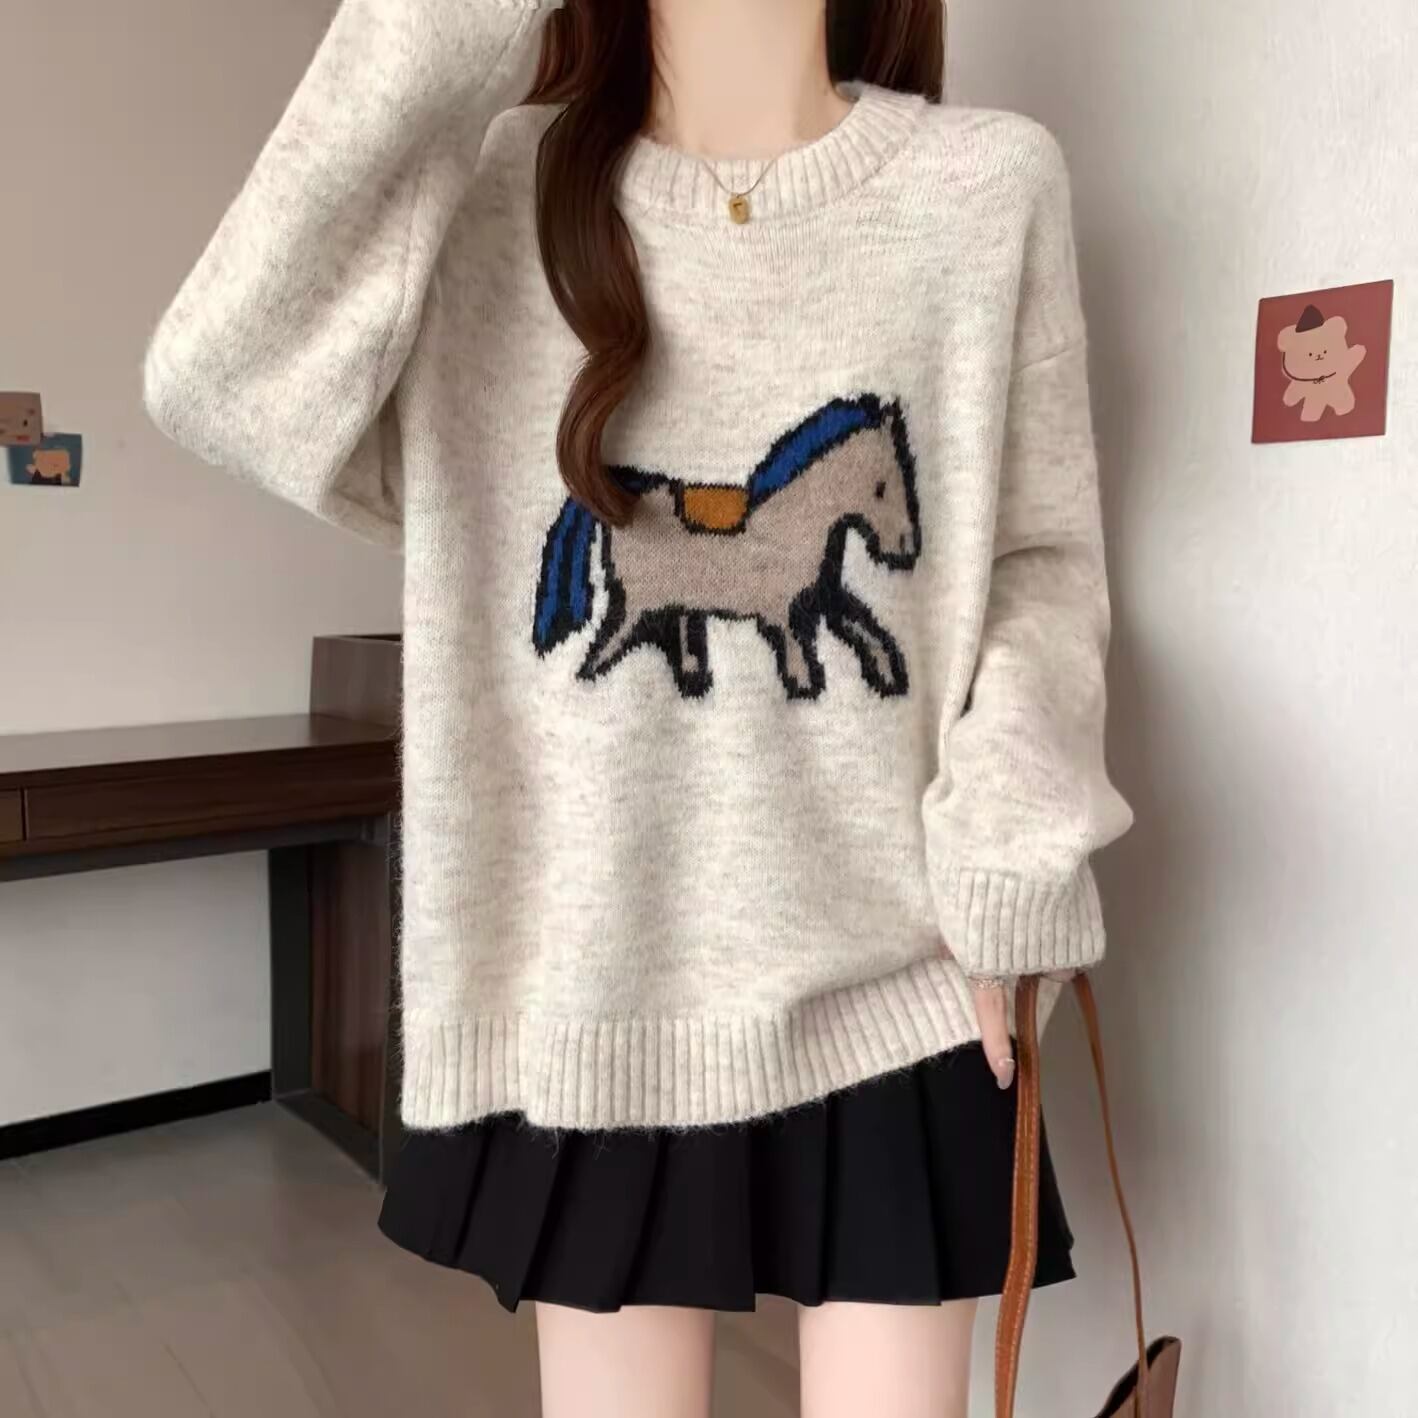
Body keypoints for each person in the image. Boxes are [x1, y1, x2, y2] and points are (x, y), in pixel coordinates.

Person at [144, 1, 1133, 1414]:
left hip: (904, 978)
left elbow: (1035, 565)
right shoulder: (492, 191)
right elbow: (217, 382)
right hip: (593, 996)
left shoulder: (985, 186)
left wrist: (1009, 865)